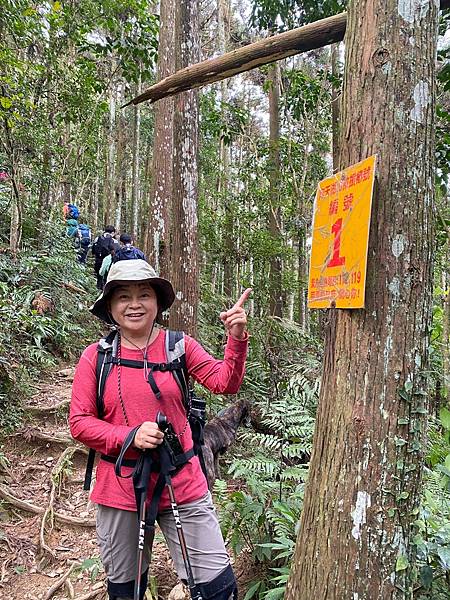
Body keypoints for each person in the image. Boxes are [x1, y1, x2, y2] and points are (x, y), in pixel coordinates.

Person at [70, 259, 251, 600]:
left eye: (144, 295)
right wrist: (129, 436)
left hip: (181, 478)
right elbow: (79, 423)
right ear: (110, 306)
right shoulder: (95, 357)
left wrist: (236, 339)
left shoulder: (179, 346)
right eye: (123, 296)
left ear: (157, 303)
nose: (134, 304)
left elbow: (224, 382)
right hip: (121, 486)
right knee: (126, 590)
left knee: (218, 587)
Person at [92, 225, 119, 290]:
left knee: (99, 278)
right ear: (112, 232)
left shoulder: (98, 238)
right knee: (108, 279)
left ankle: (98, 292)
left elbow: (93, 250)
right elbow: (117, 252)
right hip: (109, 263)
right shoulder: (114, 241)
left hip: (98, 261)